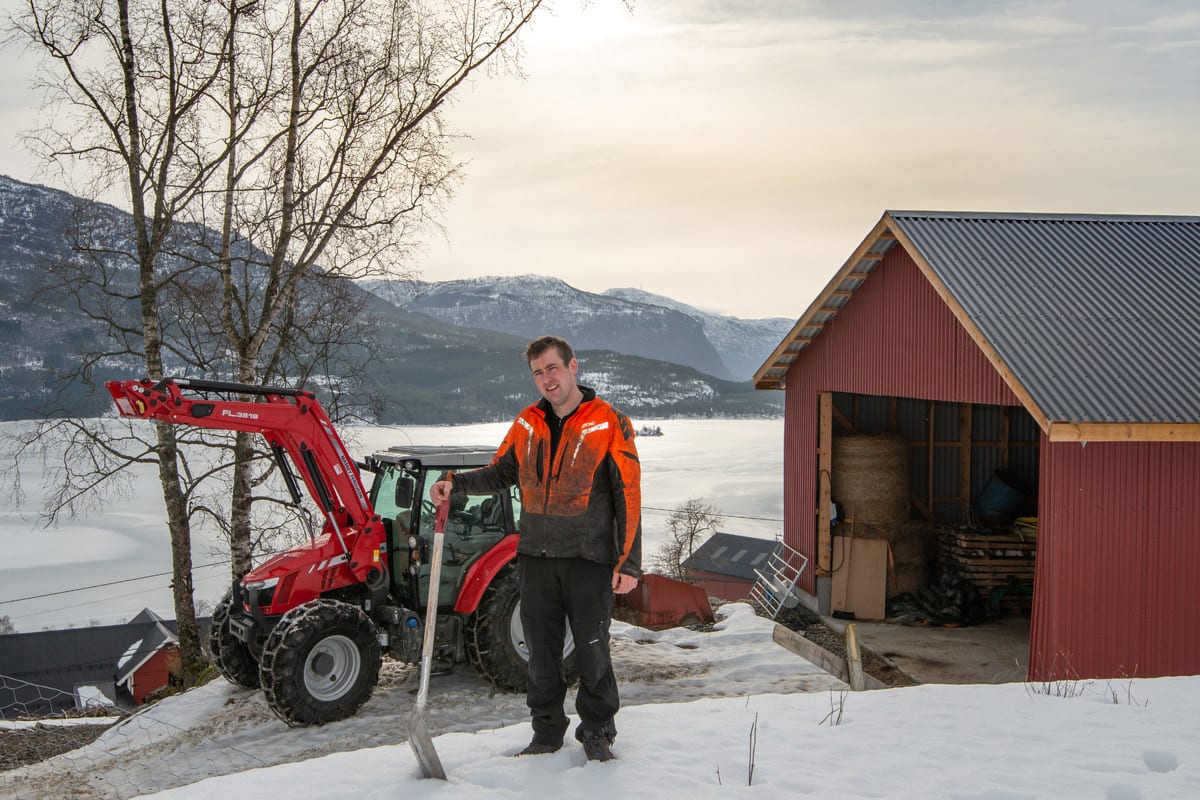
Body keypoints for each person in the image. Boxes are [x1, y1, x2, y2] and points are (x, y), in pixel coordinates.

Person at [430, 335, 641, 763]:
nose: (547, 378)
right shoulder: (527, 423)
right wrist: (455, 483)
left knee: (592, 649)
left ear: (573, 366)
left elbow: (629, 494)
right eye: (538, 372)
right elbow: (499, 472)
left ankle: (598, 731)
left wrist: (628, 561)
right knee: (542, 655)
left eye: (553, 368)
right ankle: (546, 733)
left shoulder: (609, 421)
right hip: (536, 558)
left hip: (588, 559)